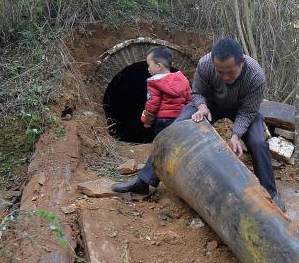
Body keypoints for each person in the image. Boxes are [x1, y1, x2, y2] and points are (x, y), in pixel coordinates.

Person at [114, 38, 284, 211]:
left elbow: (248, 112)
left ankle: (271, 194)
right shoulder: (205, 64)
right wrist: (202, 107)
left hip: (242, 108)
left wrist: (236, 135)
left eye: (230, 72)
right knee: (176, 129)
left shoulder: (256, 76)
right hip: (209, 105)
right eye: (220, 72)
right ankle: (144, 181)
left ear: (241, 63)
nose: (225, 77)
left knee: (257, 141)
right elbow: (197, 92)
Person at [139, 46, 190, 136]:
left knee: (163, 141)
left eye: (149, 65)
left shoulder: (155, 83)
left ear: (158, 66)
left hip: (163, 121)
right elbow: (190, 101)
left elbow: (152, 105)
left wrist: (147, 121)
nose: (148, 69)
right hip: (180, 120)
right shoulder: (183, 80)